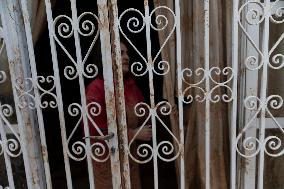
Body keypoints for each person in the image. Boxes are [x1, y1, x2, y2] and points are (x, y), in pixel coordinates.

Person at [85, 41, 152, 189]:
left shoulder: (129, 85)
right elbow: (98, 132)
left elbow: (142, 111)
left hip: (130, 159)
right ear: (107, 57)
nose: (126, 57)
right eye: (120, 53)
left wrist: (160, 109)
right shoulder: (96, 88)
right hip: (108, 161)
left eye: (127, 53)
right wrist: (133, 133)